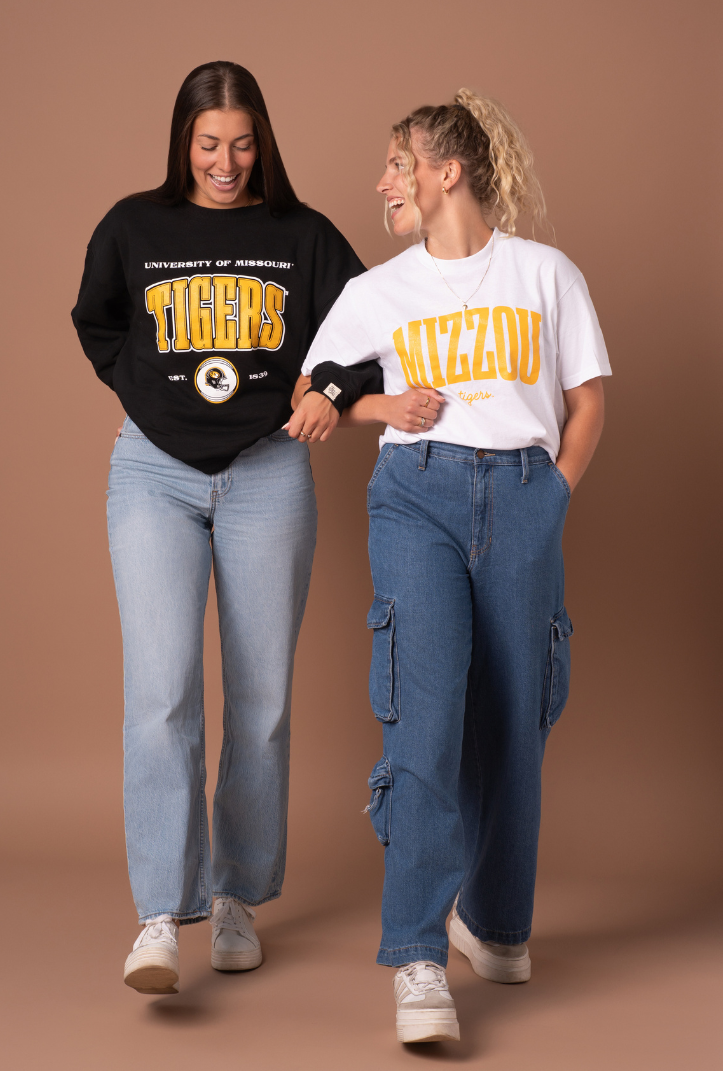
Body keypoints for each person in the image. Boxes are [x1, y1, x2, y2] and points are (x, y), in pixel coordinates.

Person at [288, 89, 611, 1043]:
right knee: (425, 719)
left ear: (446, 171)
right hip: (416, 497)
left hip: (523, 494)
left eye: (398, 164)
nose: (384, 181)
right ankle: (419, 956)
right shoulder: (376, 292)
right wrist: (383, 410)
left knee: (516, 718)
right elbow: (312, 393)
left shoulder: (545, 273)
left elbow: (588, 400)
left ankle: (496, 923)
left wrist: (551, 495)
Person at [71, 61, 380, 995]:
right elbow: (97, 322)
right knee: (161, 692)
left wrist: (328, 390)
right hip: (153, 473)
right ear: (182, 143)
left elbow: (371, 328)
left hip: (267, 470)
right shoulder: (132, 225)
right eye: (209, 144)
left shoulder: (302, 234)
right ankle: (161, 914)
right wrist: (147, 390)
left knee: (263, 697)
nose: (225, 161)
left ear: (263, 143)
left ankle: (238, 892)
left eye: (242, 143)